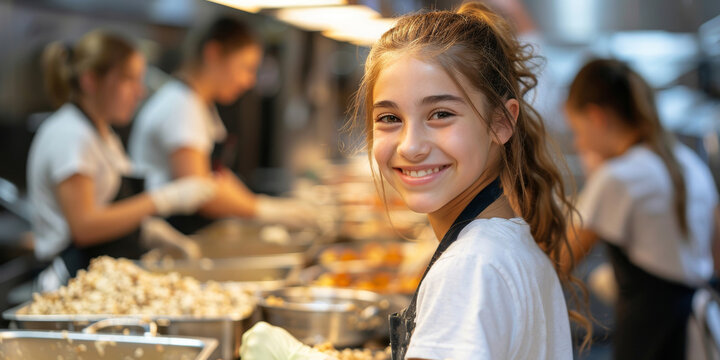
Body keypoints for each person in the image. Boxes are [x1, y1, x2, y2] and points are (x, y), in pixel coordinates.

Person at [242, 3, 590, 360]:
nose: (410, 146)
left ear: (500, 121)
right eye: (390, 117)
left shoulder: (470, 268)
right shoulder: (496, 248)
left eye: (441, 114)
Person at [28, 30, 215, 291]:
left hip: (101, 278)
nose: (139, 92)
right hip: (71, 284)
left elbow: (111, 208)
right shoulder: (71, 135)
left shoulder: (103, 134)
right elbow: (85, 226)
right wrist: (162, 200)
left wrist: (152, 232)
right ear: (91, 80)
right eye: (129, 80)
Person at [562, 58, 719, 359]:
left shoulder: (617, 176)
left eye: (577, 130)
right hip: (701, 329)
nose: (578, 142)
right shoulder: (690, 163)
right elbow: (716, 257)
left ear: (596, 117)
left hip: (651, 340)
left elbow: (559, 260)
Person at [129, 17, 315, 234]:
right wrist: (264, 211)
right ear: (214, 53)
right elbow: (200, 193)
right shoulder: (180, 106)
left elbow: (217, 176)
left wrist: (261, 203)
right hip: (172, 234)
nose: (250, 81)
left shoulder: (200, 104)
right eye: (246, 68)